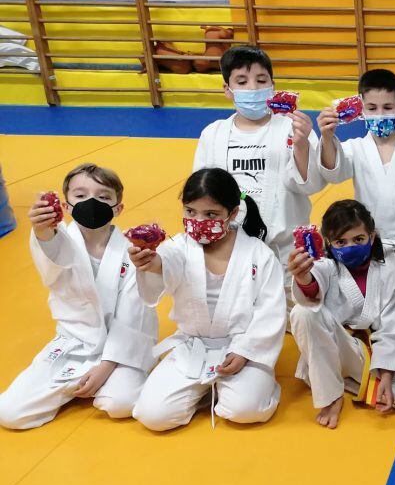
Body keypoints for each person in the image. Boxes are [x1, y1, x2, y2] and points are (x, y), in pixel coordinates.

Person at [0, 164, 157, 429]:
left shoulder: (133, 251)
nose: (92, 202)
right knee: (9, 413)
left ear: (119, 208)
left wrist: (105, 367)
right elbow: (52, 264)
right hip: (75, 341)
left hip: (121, 345)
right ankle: (74, 381)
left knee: (121, 404)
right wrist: (41, 231)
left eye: (104, 196)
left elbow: (135, 313)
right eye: (81, 195)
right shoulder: (57, 241)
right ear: (66, 206)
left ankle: (95, 377)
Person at [129, 168, 286, 431]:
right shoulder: (178, 247)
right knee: (152, 416)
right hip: (193, 347)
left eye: (210, 214)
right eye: (190, 212)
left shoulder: (259, 254)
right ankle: (203, 391)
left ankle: (253, 384)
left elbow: (270, 310)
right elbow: (167, 264)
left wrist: (245, 351)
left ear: (233, 213)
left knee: (244, 411)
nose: (198, 221)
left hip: (241, 347)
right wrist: (151, 263)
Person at [192, 45, 325, 298]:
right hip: (228, 248)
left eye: (261, 80)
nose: (253, 88)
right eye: (242, 81)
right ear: (227, 90)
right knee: (233, 319)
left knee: (299, 316)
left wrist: (302, 144)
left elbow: (312, 186)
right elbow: (201, 193)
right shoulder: (213, 133)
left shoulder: (292, 128)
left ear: (273, 86)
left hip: (287, 250)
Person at [288, 199, 395, 429]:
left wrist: (388, 374)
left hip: (365, 354)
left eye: (358, 239)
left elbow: (391, 327)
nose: (350, 246)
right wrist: (302, 277)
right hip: (332, 345)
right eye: (341, 241)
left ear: (372, 237)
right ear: (329, 244)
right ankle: (331, 396)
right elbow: (311, 289)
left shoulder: (387, 272)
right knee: (303, 313)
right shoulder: (324, 267)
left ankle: (336, 379)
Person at [316, 67, 395, 287]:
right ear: (361, 109)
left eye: (387, 107)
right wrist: (327, 136)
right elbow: (334, 172)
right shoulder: (355, 148)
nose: (380, 113)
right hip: (365, 245)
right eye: (372, 108)